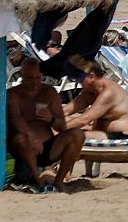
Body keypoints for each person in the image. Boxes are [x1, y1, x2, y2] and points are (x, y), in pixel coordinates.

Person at [9, 57, 86, 189]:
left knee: (77, 135)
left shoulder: (49, 93)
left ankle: (59, 180)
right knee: (21, 138)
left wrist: (51, 119)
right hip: (21, 148)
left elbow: (62, 127)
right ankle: (38, 182)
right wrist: (31, 137)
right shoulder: (13, 95)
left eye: (37, 78)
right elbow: (15, 120)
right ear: (22, 76)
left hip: (47, 148)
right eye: (30, 78)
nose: (34, 82)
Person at [64, 61, 128, 140]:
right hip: (101, 134)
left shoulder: (109, 92)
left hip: (120, 136)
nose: (78, 82)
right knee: (65, 123)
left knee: (70, 135)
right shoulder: (90, 92)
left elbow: (84, 120)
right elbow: (66, 111)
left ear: (91, 77)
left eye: (79, 79)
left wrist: (58, 129)